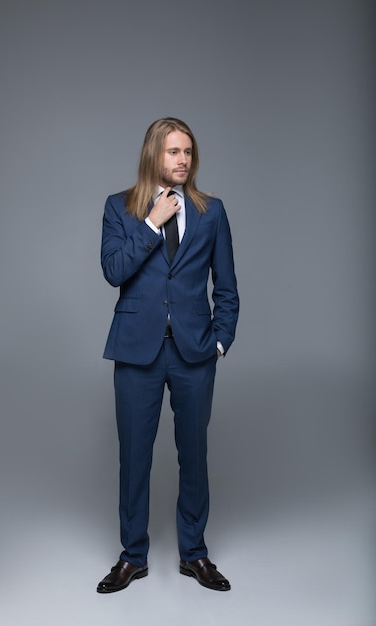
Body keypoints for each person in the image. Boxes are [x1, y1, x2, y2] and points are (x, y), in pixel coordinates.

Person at [97, 117, 239, 593]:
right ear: (153, 155)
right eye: (174, 152)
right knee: (134, 457)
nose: (183, 160)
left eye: (188, 152)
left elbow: (228, 288)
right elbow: (114, 270)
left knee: (194, 456)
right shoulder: (121, 208)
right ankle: (133, 556)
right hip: (136, 350)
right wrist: (151, 223)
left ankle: (193, 554)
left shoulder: (211, 211)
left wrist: (220, 339)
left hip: (194, 352)